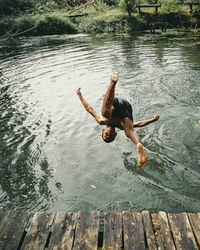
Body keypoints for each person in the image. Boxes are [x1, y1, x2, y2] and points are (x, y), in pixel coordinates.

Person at [76, 73, 159, 167]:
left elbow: (89, 108)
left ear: (103, 130)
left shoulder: (101, 121)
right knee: (129, 131)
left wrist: (80, 96)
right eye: (110, 136)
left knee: (105, 114)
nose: (109, 133)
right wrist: (153, 120)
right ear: (115, 134)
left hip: (113, 105)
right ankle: (138, 144)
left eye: (106, 134)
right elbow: (139, 124)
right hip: (126, 107)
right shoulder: (121, 126)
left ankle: (113, 83)